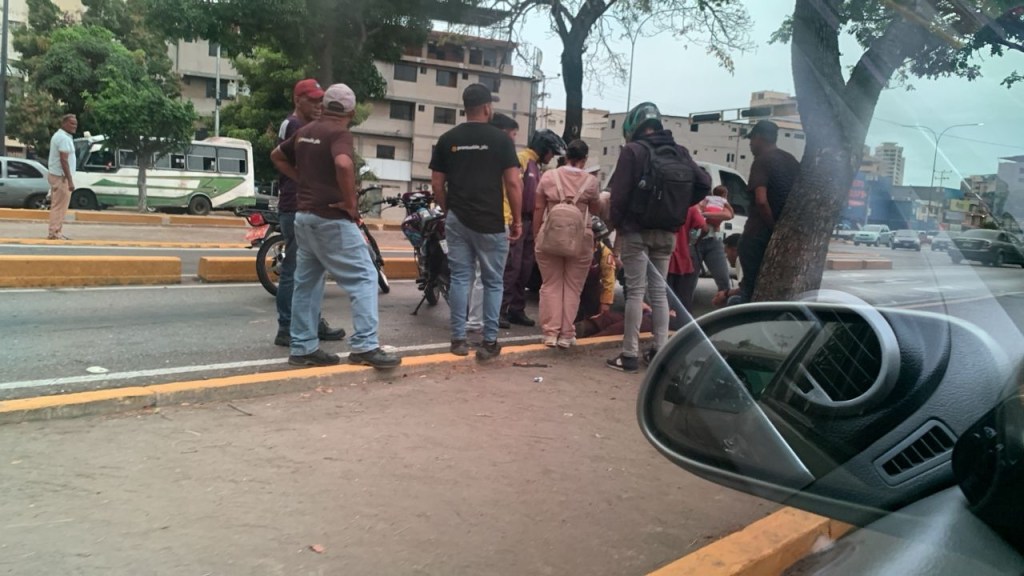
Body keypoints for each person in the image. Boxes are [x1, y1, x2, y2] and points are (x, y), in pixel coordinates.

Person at [270, 83, 401, 369]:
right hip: (331, 218)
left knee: (307, 283)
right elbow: (343, 165)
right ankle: (365, 346)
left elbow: (276, 156)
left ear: (326, 105)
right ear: (351, 111)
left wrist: (300, 179)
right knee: (366, 277)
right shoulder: (339, 133)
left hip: (303, 218)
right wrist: (350, 203)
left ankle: (303, 348)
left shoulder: (305, 132)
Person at [605, 102, 711, 373]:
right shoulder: (680, 152)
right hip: (668, 233)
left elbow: (618, 195)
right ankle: (659, 352)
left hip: (636, 232)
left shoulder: (633, 151)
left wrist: (618, 224)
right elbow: (703, 183)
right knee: (660, 293)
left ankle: (629, 354)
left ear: (633, 128)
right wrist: (679, 205)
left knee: (635, 293)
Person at [430, 83, 523, 361]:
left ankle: (458, 339)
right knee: (493, 281)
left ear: (465, 108)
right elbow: (513, 184)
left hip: (458, 218)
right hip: (491, 221)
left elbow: (437, 184)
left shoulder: (448, 139)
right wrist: (517, 220)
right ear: (486, 108)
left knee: (461, 277)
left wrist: (448, 210)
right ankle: (489, 342)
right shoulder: (501, 140)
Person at [272, 79, 346, 347]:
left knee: (311, 271)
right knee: (295, 271)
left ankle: (311, 323)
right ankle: (287, 326)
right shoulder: (295, 126)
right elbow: (283, 160)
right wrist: (305, 180)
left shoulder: (299, 126)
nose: (318, 105)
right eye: (312, 100)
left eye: (320, 100)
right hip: (296, 205)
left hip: (302, 204)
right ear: (297, 100)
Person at [533, 139, 603, 348]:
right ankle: (566, 334)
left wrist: (537, 235)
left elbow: (538, 207)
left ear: (566, 156)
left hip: (551, 234)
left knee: (551, 284)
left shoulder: (548, 176)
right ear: (584, 159)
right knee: (573, 286)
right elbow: (597, 209)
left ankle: (550, 333)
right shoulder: (591, 182)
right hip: (581, 238)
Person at [501, 129, 566, 328]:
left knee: (525, 267)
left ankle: (516, 309)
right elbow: (509, 189)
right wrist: (513, 218)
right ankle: (500, 309)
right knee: (511, 267)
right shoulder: (521, 159)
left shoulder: (537, 167)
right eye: (551, 152)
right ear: (544, 148)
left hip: (530, 221)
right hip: (517, 219)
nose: (552, 157)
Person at [736, 120, 801, 303]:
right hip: (783, 236)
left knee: (749, 288)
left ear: (758, 137)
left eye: (751, 140)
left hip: (757, 235)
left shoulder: (762, 160)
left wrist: (772, 227)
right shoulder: (791, 161)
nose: (750, 144)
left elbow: (761, 200)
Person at [467, 112, 519, 338]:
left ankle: (473, 320)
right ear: (503, 132)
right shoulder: (502, 151)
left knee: (474, 274)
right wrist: (517, 220)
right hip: (497, 219)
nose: (514, 139)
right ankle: (486, 325)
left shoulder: (478, 151)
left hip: (473, 217)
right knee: (492, 276)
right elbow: (513, 186)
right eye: (512, 134)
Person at [694, 185, 736, 307]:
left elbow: (729, 215)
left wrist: (705, 215)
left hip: (713, 240)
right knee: (689, 282)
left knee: (723, 280)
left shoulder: (710, 203)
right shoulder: (700, 203)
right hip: (696, 241)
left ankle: (725, 313)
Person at [666, 205, 708, 313]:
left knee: (663, 299)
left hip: (664, 257)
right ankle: (685, 325)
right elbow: (705, 228)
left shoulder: (664, 203)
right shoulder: (691, 208)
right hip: (683, 258)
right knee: (684, 299)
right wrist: (695, 240)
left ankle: (666, 324)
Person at [47, 114, 78, 240]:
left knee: (59, 205)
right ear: (64, 123)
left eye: (75, 124)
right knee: (60, 206)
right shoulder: (63, 138)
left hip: (58, 175)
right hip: (61, 177)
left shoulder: (60, 136)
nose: (74, 126)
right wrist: (70, 180)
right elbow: (64, 160)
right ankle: (54, 232)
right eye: (71, 123)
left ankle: (56, 230)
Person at [713, 233, 744, 306]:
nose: (726, 257)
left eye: (726, 253)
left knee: (733, 300)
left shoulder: (740, 260)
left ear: (734, 250)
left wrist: (725, 294)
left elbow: (743, 290)